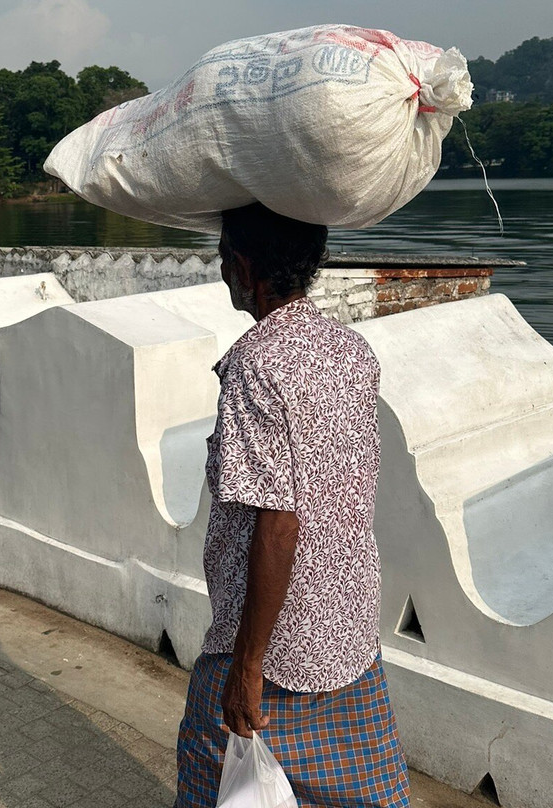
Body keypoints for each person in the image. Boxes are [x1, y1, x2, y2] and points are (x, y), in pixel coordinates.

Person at [175, 202, 411, 807]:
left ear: (247, 269)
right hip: (347, 629)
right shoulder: (352, 350)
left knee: (212, 783)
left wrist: (248, 666)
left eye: (226, 257)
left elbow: (278, 523)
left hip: (273, 646)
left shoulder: (255, 366)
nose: (223, 269)